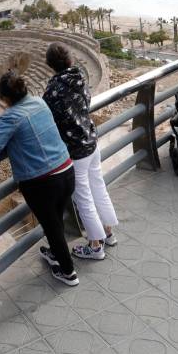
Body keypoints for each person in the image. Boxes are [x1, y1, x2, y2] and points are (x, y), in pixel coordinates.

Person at [0, 72, 78, 286]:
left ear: (4, 98)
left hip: (43, 182)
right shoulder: (40, 103)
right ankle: (56, 254)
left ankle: (68, 272)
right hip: (66, 170)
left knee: (52, 226)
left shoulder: (11, 116)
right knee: (56, 221)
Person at [43, 43, 119, 260]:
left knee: (83, 198)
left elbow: (51, 119)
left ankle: (95, 247)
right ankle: (108, 233)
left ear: (50, 65)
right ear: (71, 60)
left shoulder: (52, 90)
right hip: (91, 142)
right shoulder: (80, 79)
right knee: (99, 187)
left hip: (75, 151)